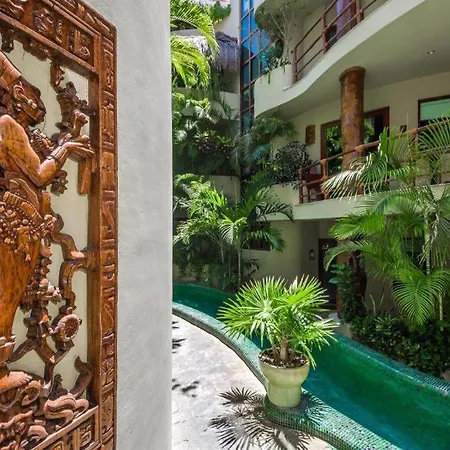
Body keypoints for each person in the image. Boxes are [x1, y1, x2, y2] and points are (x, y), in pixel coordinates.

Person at [0, 52, 89, 367]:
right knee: (7, 297)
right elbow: (39, 174)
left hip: (25, 222)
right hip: (16, 222)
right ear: (17, 94)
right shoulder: (8, 125)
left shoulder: (20, 130)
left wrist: (68, 138)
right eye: (32, 93)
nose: (38, 102)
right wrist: (66, 148)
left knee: (10, 295)